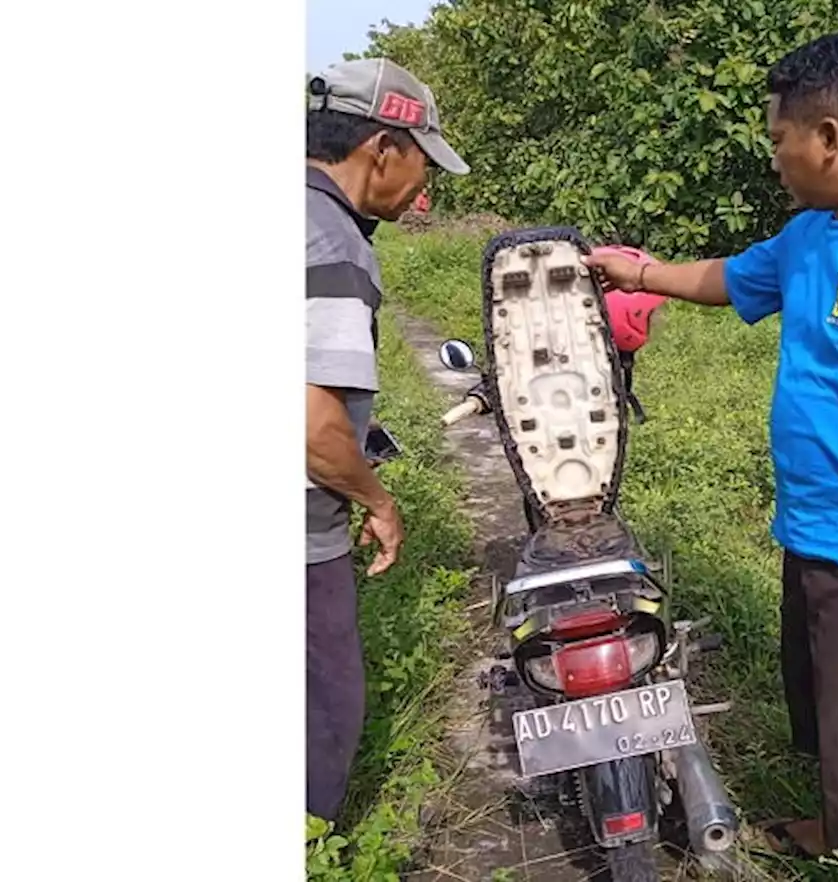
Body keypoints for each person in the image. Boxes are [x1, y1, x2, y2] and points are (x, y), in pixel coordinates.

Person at [583, 33, 838, 881]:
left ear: (827, 136)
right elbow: (724, 277)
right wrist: (638, 272)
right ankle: (833, 821)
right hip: (816, 533)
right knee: (828, 708)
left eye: (777, 140)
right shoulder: (810, 238)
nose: (776, 159)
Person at [305, 57, 470, 821]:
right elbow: (309, 421)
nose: (422, 187)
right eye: (421, 163)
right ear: (382, 148)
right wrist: (375, 497)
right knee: (323, 711)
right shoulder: (332, 242)